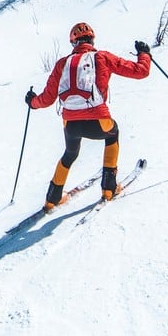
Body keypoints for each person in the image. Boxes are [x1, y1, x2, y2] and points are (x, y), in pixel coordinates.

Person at [25, 21, 151, 211]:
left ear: (73, 43)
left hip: (71, 124)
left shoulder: (62, 64)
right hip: (99, 121)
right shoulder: (101, 57)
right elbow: (141, 72)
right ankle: (108, 188)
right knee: (113, 134)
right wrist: (144, 54)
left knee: (70, 154)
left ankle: (52, 199)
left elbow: (48, 98)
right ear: (91, 40)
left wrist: (32, 103)